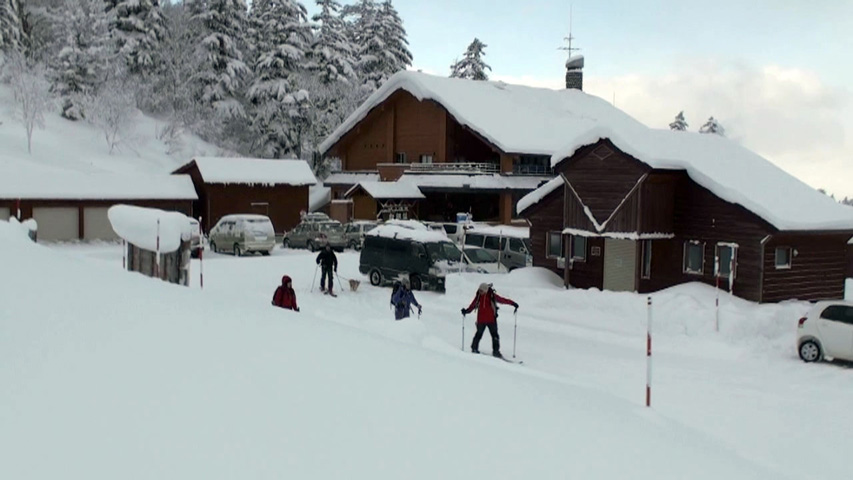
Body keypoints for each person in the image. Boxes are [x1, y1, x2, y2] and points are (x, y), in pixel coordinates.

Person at [461, 282, 518, 357]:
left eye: (481, 291)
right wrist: (466, 311)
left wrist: (513, 303)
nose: (480, 292)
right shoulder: (478, 296)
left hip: (491, 319)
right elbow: (473, 305)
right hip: (481, 320)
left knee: (495, 336)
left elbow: (502, 300)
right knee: (478, 334)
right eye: (479, 290)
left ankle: (496, 351)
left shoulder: (492, 295)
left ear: (485, 290)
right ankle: (474, 348)